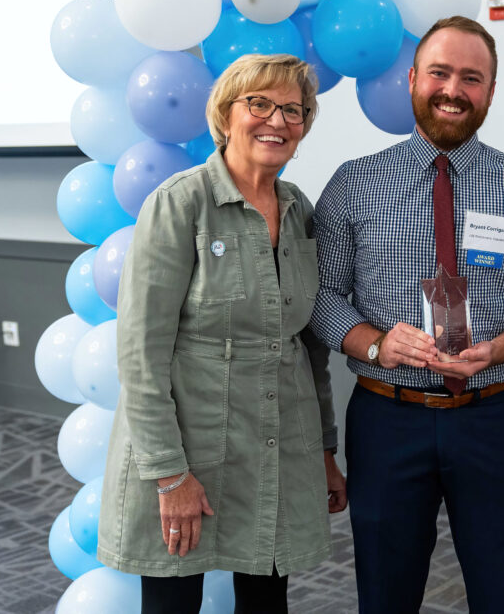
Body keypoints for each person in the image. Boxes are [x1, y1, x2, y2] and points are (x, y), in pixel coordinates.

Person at [310, 16, 504, 614]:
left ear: (489, 91)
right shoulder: (354, 184)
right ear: (412, 79)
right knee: (385, 593)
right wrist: (377, 345)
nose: (453, 89)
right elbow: (322, 299)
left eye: (471, 77)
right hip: (387, 420)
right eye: (439, 72)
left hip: (494, 417)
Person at [98, 53, 347, 614]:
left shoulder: (299, 209)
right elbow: (141, 354)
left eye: (294, 109)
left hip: (278, 441)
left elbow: (306, 346)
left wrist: (325, 451)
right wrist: (169, 475)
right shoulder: (179, 203)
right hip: (190, 444)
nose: (277, 121)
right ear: (225, 115)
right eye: (259, 104)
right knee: (172, 600)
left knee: (267, 599)